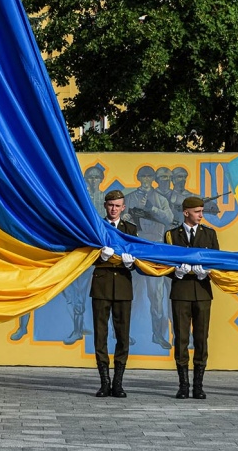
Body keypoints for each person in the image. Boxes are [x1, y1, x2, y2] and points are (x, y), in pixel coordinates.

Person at [165, 196, 219, 400]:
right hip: (180, 292)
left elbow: (216, 261)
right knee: (181, 338)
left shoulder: (209, 234)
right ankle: (183, 384)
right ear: (186, 212)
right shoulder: (171, 235)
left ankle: (198, 385)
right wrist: (176, 273)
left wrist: (207, 272)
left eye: (202, 211)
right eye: (197, 212)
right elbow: (166, 263)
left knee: (201, 339)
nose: (201, 215)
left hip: (202, 292)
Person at [93, 190, 138, 398]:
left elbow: (138, 257)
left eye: (117, 205)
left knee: (122, 335)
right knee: (100, 335)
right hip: (101, 286)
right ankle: (105, 382)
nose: (114, 209)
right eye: (111, 205)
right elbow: (86, 256)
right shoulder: (97, 227)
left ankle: (118, 383)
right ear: (105, 205)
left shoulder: (130, 229)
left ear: (123, 207)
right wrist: (100, 257)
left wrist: (131, 263)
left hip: (122, 286)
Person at [126, 166, 173, 349]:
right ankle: (124, 333)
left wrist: (151, 208)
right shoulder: (130, 198)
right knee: (129, 295)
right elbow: (123, 220)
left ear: (153, 178)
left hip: (155, 250)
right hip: (136, 250)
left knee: (157, 296)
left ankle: (158, 334)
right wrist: (128, 216)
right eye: (143, 176)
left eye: (149, 176)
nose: (146, 179)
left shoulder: (160, 199)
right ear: (138, 178)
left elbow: (168, 218)